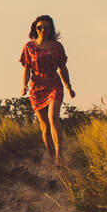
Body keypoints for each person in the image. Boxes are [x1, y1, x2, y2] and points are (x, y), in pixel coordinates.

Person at [19, 15, 75, 173]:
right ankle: (53, 161)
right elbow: (26, 69)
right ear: (35, 29)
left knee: (53, 117)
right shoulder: (29, 47)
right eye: (39, 27)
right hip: (36, 89)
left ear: (51, 29)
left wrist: (68, 86)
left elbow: (62, 68)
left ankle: (59, 154)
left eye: (46, 27)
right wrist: (24, 85)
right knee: (44, 128)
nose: (43, 30)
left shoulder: (57, 46)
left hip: (54, 84)